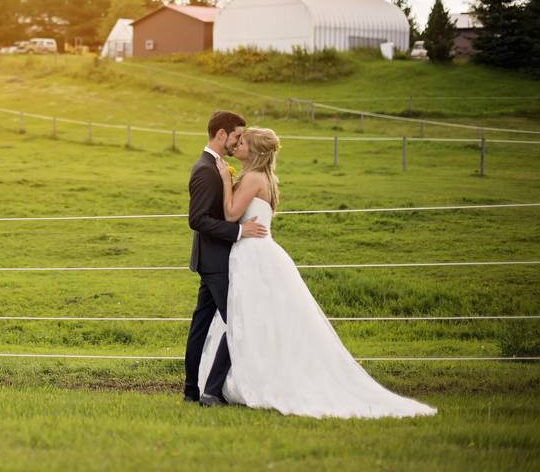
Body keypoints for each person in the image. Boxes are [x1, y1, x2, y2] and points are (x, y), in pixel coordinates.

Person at [197, 126, 437, 418]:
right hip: (264, 252)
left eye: (243, 142)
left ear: (256, 151)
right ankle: (227, 383)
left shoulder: (253, 177)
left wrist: (224, 180)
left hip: (252, 256)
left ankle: (216, 387)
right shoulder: (268, 178)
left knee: (243, 318)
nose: (238, 145)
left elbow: (232, 214)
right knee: (256, 319)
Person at [183, 111, 269, 406]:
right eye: (235, 136)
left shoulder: (217, 166)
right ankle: (210, 391)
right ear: (221, 134)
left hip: (216, 260)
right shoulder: (206, 170)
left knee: (201, 325)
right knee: (238, 323)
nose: (236, 142)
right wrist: (238, 231)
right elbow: (197, 220)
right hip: (216, 261)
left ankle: (191, 391)